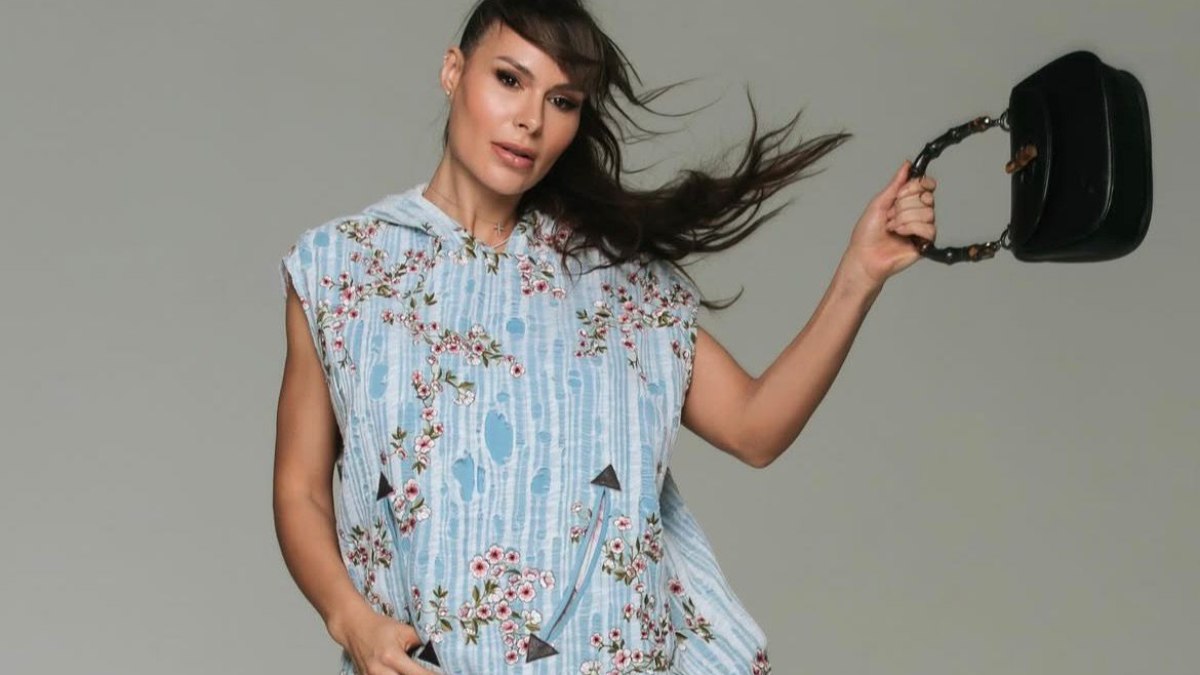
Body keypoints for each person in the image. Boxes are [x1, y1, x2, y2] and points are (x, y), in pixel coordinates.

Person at [273, 1, 938, 673]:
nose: (531, 120)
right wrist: (351, 620)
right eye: (509, 79)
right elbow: (300, 488)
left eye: (561, 101)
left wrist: (861, 273)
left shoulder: (611, 282)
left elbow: (754, 427)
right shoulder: (340, 269)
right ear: (453, 72)